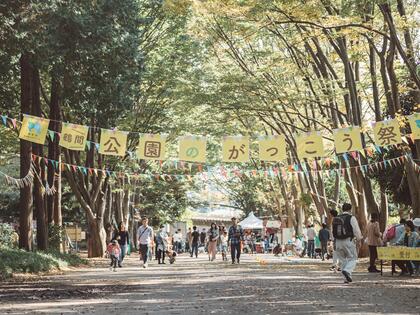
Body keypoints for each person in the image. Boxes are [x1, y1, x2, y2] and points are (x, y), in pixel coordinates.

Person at [333, 203, 363, 283]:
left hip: (338, 241)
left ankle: (346, 278)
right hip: (348, 241)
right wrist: (359, 240)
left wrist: (333, 242)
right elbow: (356, 230)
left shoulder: (336, 218)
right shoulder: (351, 218)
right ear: (350, 209)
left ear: (342, 209)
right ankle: (347, 271)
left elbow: (332, 231)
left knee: (343, 260)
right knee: (353, 258)